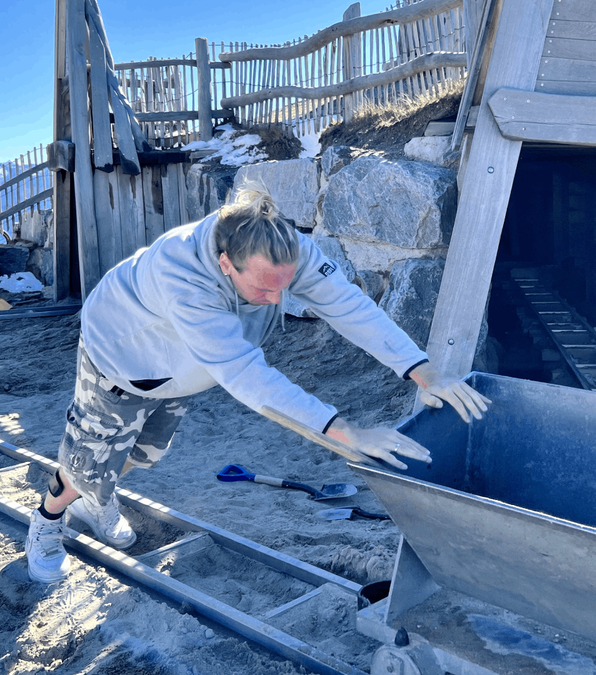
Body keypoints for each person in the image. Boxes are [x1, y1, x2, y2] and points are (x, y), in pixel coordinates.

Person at [25, 186, 491, 583]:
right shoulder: (182, 275)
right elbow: (248, 375)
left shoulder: (283, 249)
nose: (278, 300)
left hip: (181, 370)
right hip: (122, 360)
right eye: (265, 290)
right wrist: (346, 433)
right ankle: (49, 518)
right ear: (225, 264)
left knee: (142, 456)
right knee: (88, 467)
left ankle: (97, 498)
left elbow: (347, 305)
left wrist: (422, 372)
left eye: (284, 287)